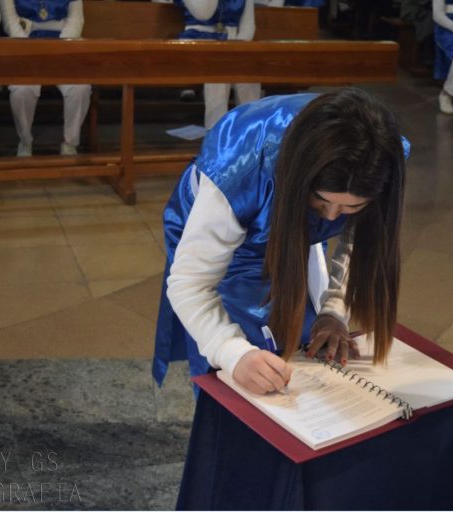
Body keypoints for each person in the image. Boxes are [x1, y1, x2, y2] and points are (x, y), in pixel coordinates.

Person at [152, 88, 407, 395]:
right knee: (236, 363)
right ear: (302, 182)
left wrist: (334, 312)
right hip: (228, 218)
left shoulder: (379, 158)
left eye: (351, 207)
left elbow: (362, 242)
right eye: (322, 202)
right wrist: (233, 353)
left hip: (287, 212)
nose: (331, 217)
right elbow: (190, 283)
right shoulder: (241, 169)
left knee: (301, 332)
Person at [0, 0, 91, 156]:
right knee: (22, 89)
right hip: (24, 48)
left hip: (65, 47)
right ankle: (25, 141)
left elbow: (76, 20)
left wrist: (59, 49)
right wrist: (31, 50)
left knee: (80, 88)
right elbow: (10, 23)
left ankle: (70, 143)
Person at [176, 0, 261, 130]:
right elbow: (203, 13)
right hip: (198, 40)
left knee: (249, 73)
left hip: (233, 42)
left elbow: (248, 26)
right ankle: (216, 129)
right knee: (218, 71)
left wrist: (238, 49)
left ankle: (250, 128)